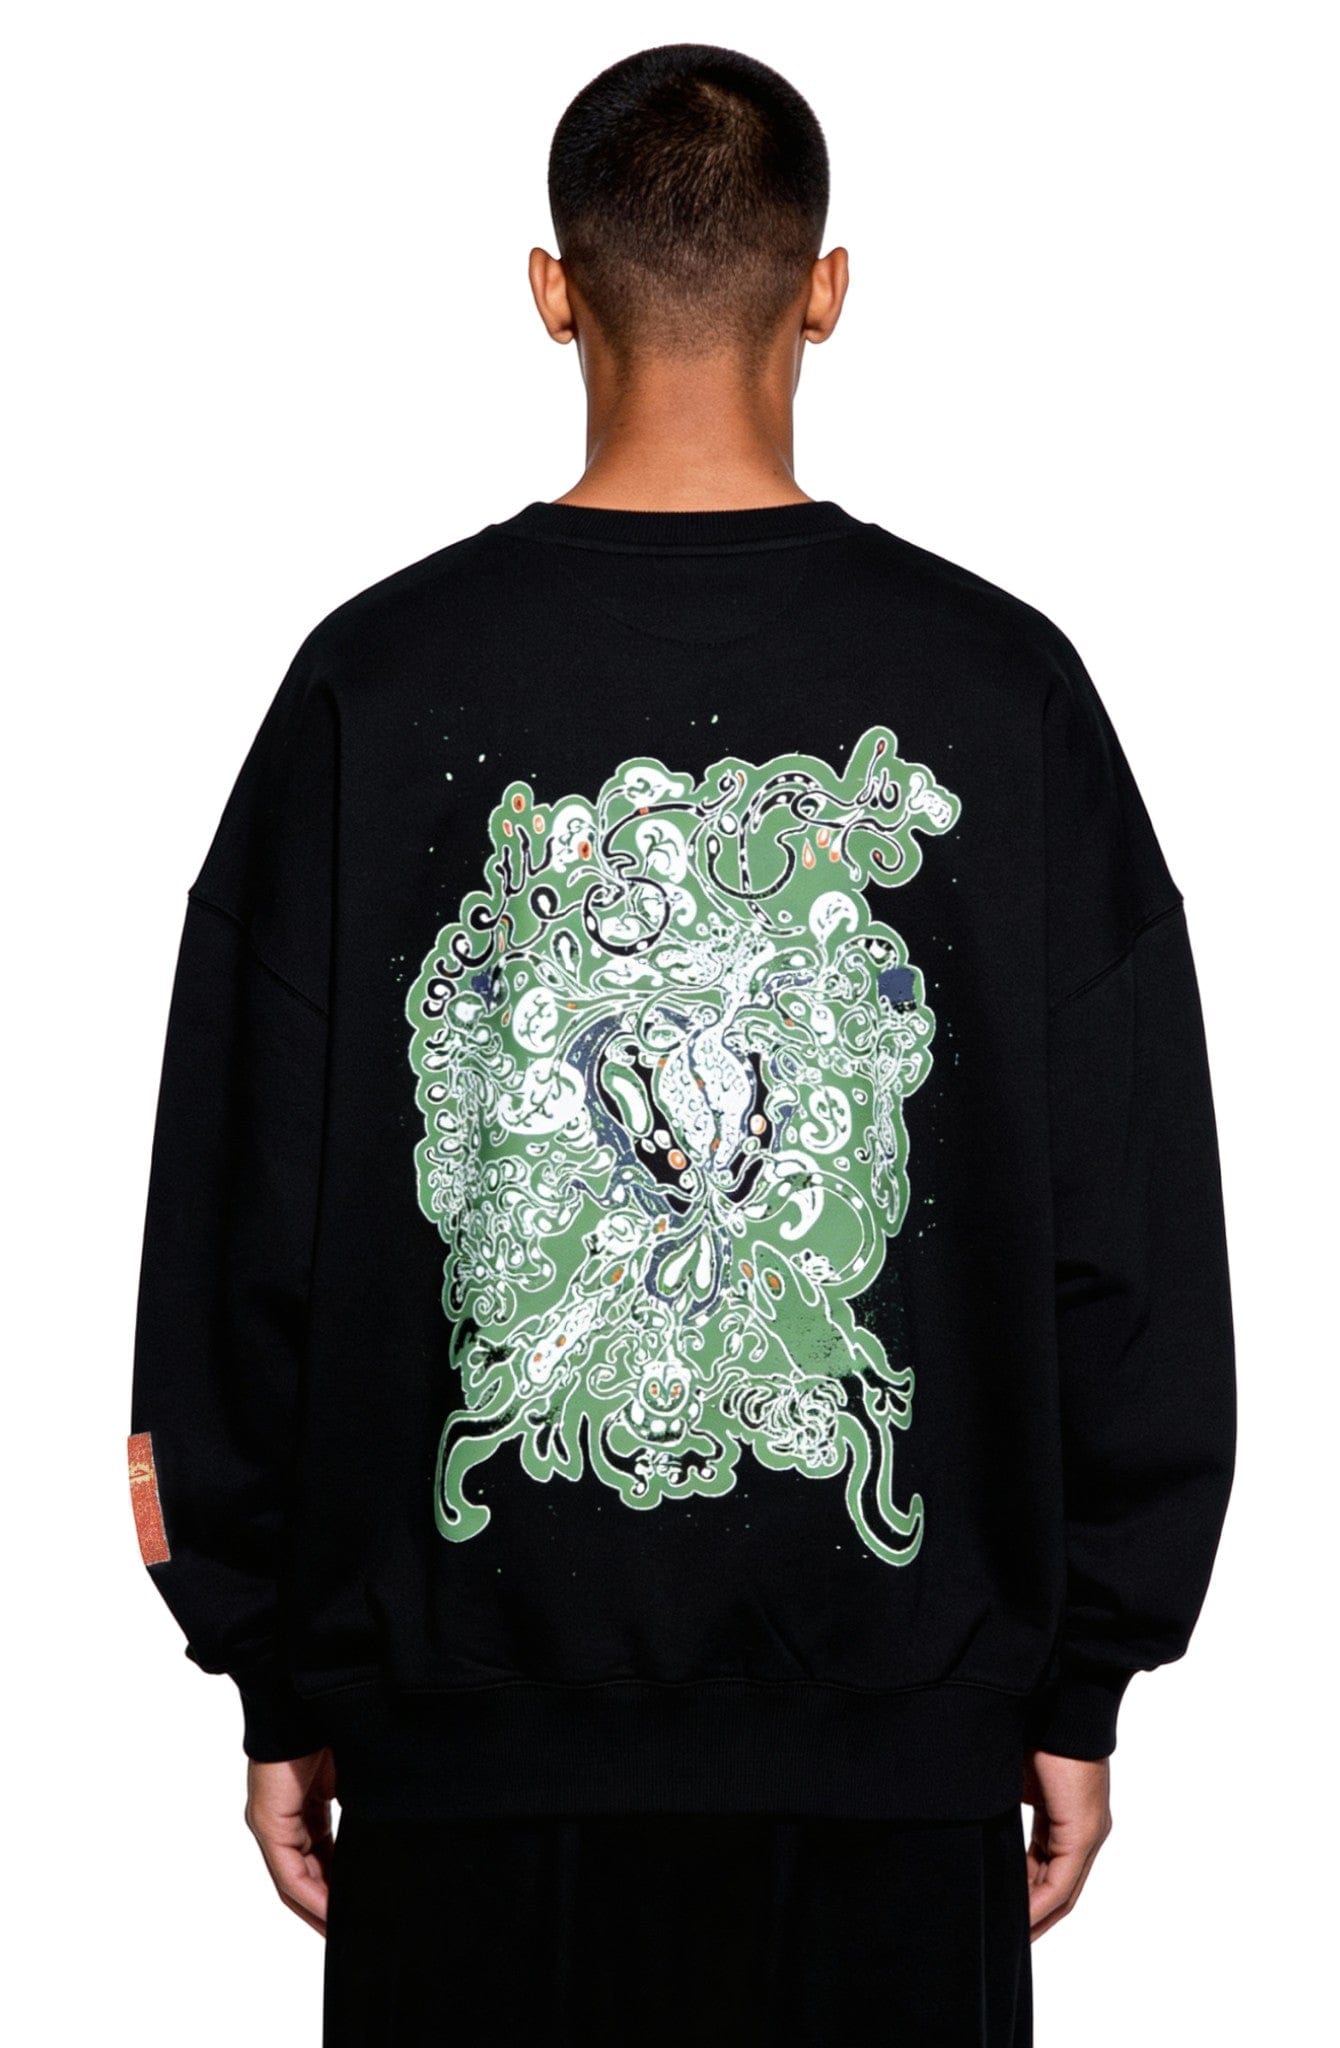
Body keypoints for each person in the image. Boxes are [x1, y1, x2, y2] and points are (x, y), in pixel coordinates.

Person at [127, 42, 1237, 2047]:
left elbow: (241, 1221)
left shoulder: (374, 684)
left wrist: (277, 1673)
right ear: (827, 289)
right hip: (895, 1768)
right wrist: (1077, 1679)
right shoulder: (1000, 689)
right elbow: (1124, 1228)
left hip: (466, 1770)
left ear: (550, 291)